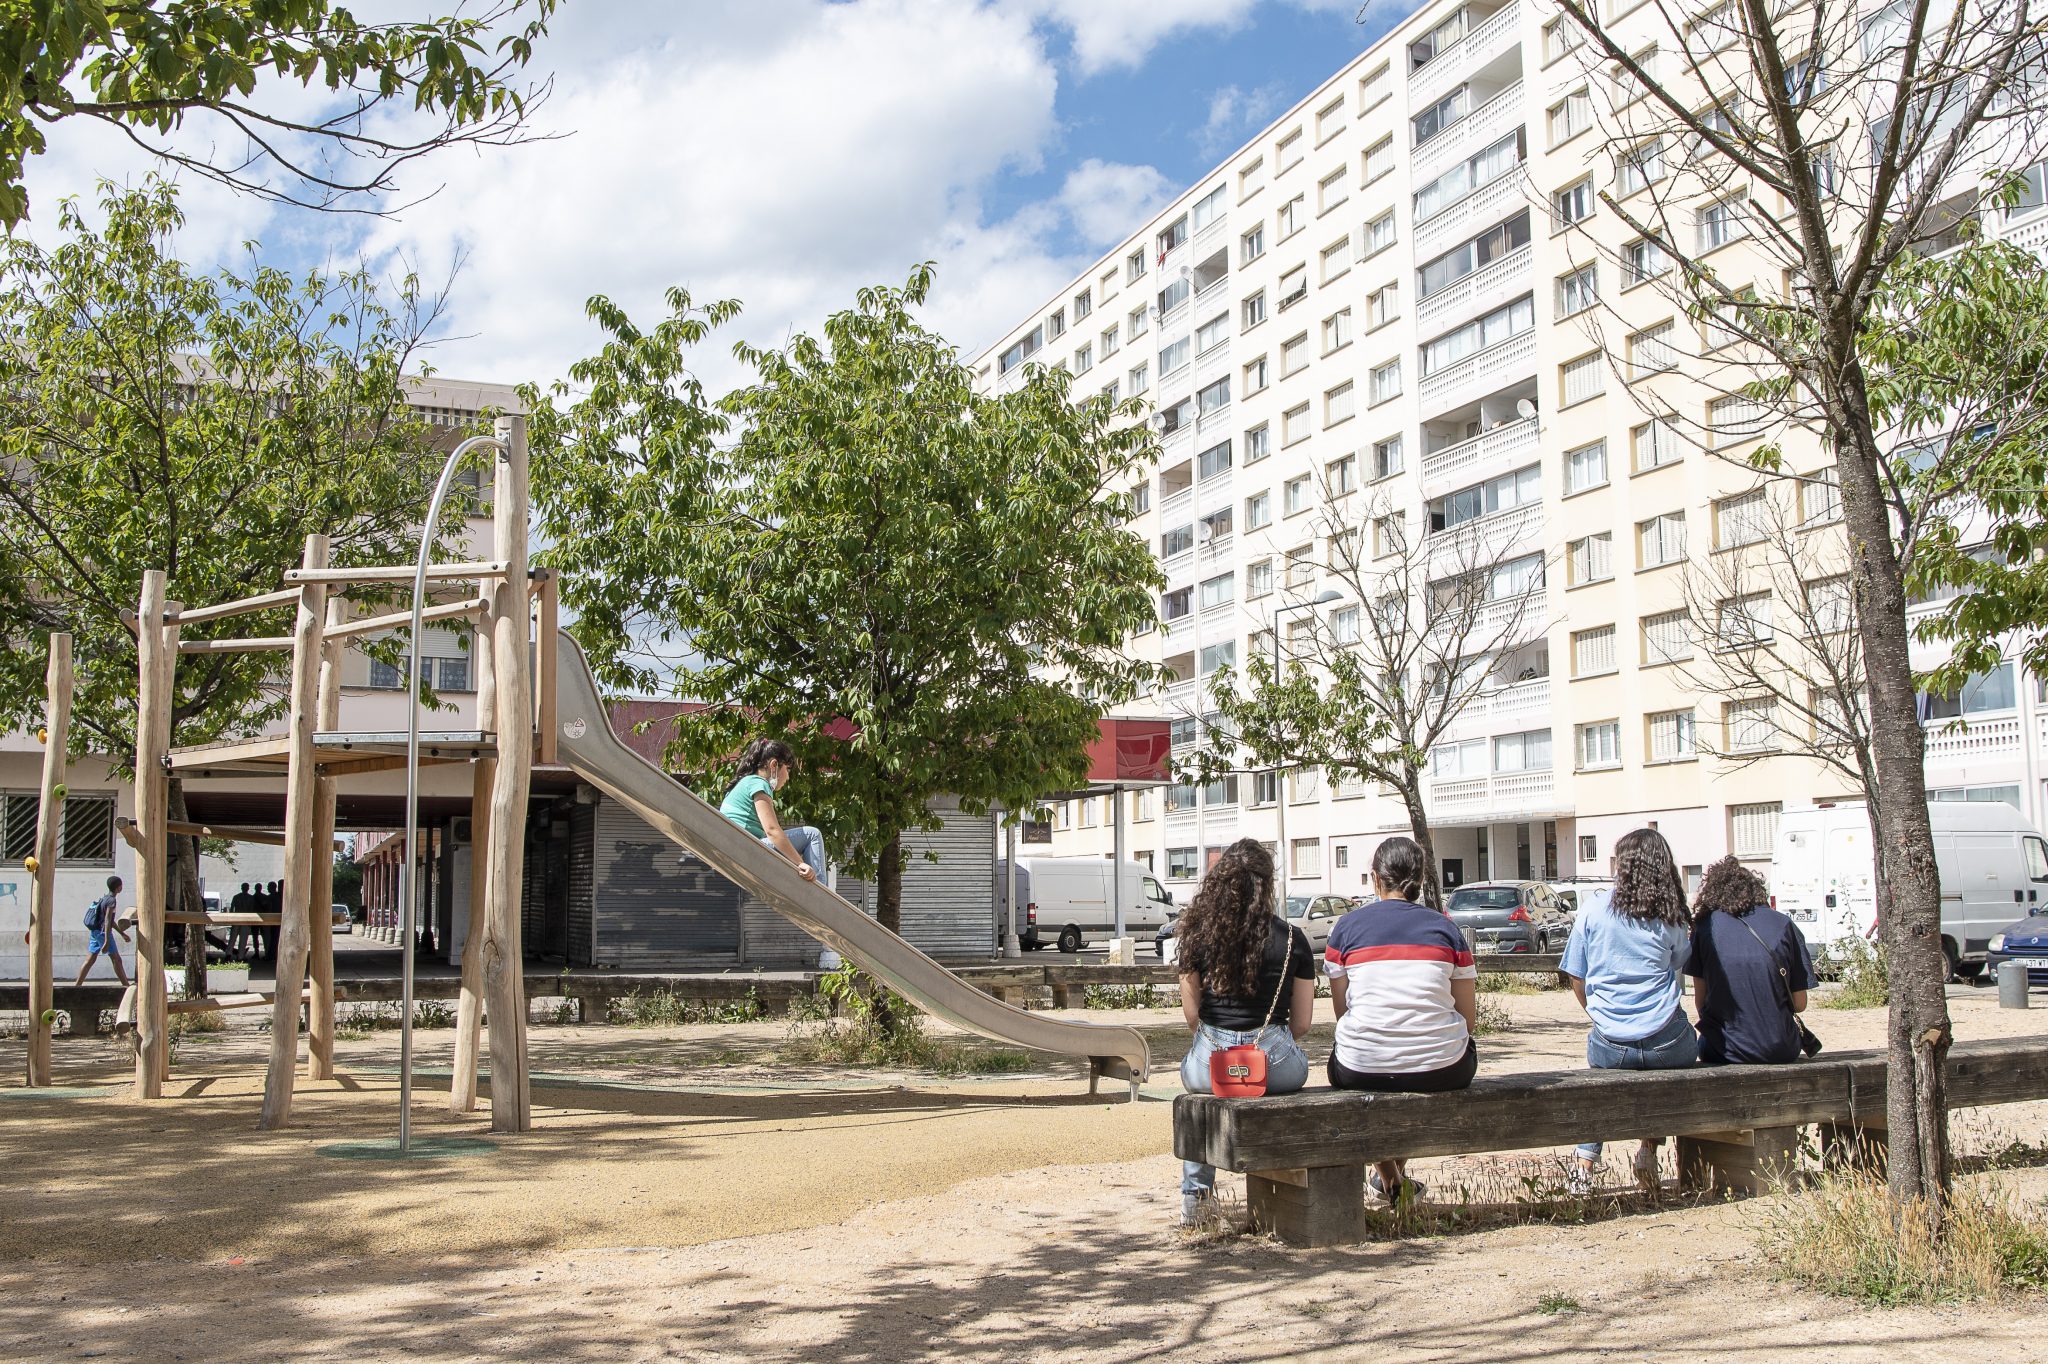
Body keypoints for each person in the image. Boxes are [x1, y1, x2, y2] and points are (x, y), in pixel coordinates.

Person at [1323, 836, 1478, 1204]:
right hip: (1444, 1067)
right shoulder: (1446, 929)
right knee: (1422, 1066)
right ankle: (1392, 1179)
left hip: (1361, 1064)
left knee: (1367, 1058)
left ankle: (1389, 1177)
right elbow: (1467, 1018)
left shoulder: (1346, 929)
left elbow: (1343, 1011)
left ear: (1375, 879)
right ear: (1422, 879)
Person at [1175, 838, 1315, 1225]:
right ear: (1267, 885)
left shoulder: (1198, 937)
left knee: (1198, 1092)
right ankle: (1282, 1191)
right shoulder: (1292, 941)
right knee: (1295, 1071)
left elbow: (1192, 1017)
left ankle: (1196, 1204)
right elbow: (1301, 1024)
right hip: (1274, 1066)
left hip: (1211, 1066)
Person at [1560, 827, 1698, 1194]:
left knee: (1598, 1092)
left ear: (1621, 865)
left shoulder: (1593, 909)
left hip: (1610, 1041)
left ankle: (1582, 1169)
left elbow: (1576, 973)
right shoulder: (1670, 916)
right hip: (1665, 1040)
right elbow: (1681, 961)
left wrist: (1598, 1013)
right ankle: (1649, 1150)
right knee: (1683, 1050)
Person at [1687, 856, 1817, 1065]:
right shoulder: (1783, 924)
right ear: (1755, 889)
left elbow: (1701, 1004)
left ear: (1711, 894)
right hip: (1780, 1048)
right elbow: (1800, 1004)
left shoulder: (1705, 928)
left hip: (1722, 1049)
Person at [718, 740, 827, 884]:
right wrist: (800, 863)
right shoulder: (759, 783)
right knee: (812, 834)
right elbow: (772, 830)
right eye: (787, 769)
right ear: (774, 765)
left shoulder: (744, 782)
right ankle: (822, 895)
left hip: (737, 847)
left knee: (789, 849)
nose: (787, 777)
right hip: (747, 848)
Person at [74, 875, 130, 987]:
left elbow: (111, 920)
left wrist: (122, 933)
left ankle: (77, 986)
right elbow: (108, 920)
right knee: (116, 959)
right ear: (118, 887)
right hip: (102, 933)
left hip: (95, 932)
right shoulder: (112, 901)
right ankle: (126, 987)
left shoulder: (104, 898)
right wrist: (106, 940)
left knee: (90, 960)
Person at [228, 881, 254, 961]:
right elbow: (251, 910)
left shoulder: (236, 897)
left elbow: (232, 909)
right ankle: (240, 956)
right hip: (246, 919)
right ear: (248, 888)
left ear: (241, 888)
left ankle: (228, 953)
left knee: (232, 937)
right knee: (243, 939)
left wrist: (231, 919)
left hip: (236, 918)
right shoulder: (251, 898)